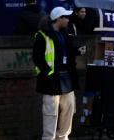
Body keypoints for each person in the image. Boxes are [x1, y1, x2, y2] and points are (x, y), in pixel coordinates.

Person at [34, 7, 79, 140]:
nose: (68, 19)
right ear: (58, 19)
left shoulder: (66, 34)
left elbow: (66, 53)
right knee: (50, 113)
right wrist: (48, 73)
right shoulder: (42, 35)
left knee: (69, 109)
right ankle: (49, 138)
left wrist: (77, 51)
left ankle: (63, 137)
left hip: (66, 77)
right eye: (66, 17)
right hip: (51, 79)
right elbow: (37, 58)